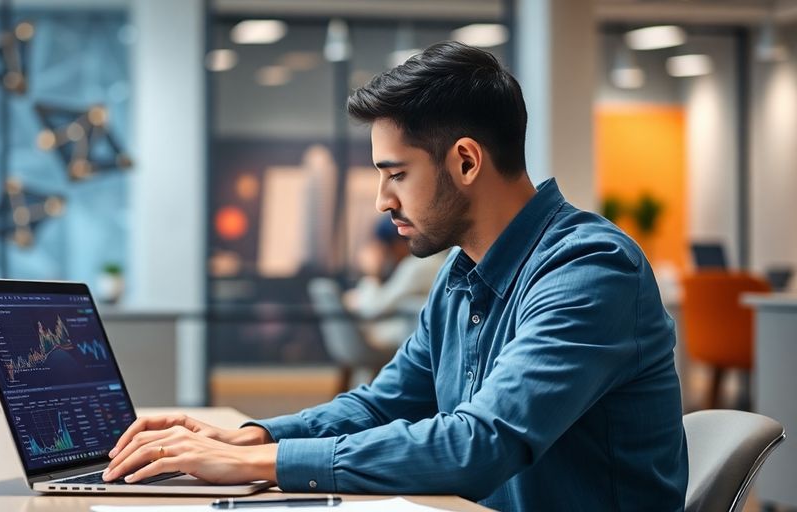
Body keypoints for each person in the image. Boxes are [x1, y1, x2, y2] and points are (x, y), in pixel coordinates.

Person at [102, 41, 687, 511]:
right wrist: (253, 437)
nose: (382, 200)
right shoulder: (461, 276)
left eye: (396, 174)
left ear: (465, 161)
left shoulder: (590, 269)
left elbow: (483, 444)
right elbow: (384, 405)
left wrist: (258, 467)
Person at [345, 215, 447, 349]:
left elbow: (374, 308)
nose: (384, 254)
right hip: (417, 334)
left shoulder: (417, 266)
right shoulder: (428, 262)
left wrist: (372, 273)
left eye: (384, 248)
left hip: (412, 336)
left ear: (397, 244)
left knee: (364, 327)